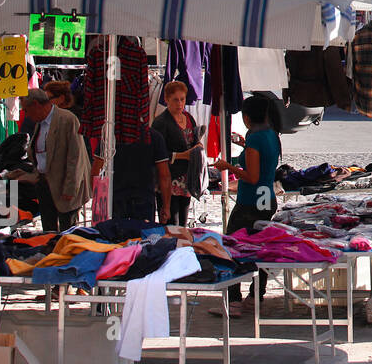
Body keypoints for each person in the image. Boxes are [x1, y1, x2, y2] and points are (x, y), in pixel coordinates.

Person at [212, 94, 282, 315]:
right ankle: (256, 295)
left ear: (246, 117)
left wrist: (227, 166)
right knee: (261, 248)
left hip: (250, 201)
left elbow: (251, 176)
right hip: (266, 198)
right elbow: (262, 164)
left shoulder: (255, 139)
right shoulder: (271, 135)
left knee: (233, 247)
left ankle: (234, 300)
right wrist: (243, 145)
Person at [19, 87, 91, 231]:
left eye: (26, 110)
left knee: (67, 230)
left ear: (36, 105)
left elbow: (75, 157)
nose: (25, 114)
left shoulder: (67, 119)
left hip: (64, 185)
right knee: (49, 230)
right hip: (45, 183)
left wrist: (71, 187)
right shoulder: (39, 123)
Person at [151, 81, 204, 226]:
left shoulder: (189, 118)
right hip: (169, 180)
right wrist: (182, 155)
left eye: (182, 99)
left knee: (183, 223)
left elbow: (194, 140)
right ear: (167, 99)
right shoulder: (161, 123)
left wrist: (198, 147)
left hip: (186, 180)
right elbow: (156, 154)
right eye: (175, 99)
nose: (179, 103)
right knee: (171, 223)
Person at [111, 122, 171, 223]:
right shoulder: (154, 136)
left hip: (117, 197)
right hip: (143, 199)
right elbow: (164, 175)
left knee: (116, 237)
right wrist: (166, 207)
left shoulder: (112, 135)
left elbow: (96, 170)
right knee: (143, 236)